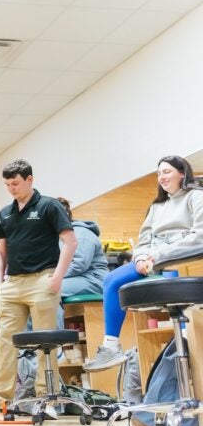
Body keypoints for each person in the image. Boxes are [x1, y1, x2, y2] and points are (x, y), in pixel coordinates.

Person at [83, 155, 203, 371]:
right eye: (159, 174)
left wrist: (156, 256)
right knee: (112, 279)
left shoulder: (195, 197)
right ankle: (110, 348)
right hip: (152, 260)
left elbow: (199, 237)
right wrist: (140, 258)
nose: (162, 177)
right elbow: (144, 240)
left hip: (181, 259)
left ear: (182, 173)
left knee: (172, 277)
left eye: (166, 172)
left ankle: (186, 340)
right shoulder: (157, 206)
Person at [0, 159, 77, 417]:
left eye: (16, 183)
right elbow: (0, 252)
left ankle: (48, 401)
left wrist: (57, 277)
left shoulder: (49, 206)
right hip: (13, 284)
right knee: (4, 343)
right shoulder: (4, 213)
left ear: (30, 179)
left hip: (42, 279)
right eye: (7, 184)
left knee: (45, 343)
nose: (11, 188)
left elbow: (70, 242)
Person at [54, 197, 109, 328]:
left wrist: (54, 276)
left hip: (94, 280)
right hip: (77, 278)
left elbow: (79, 264)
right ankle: (29, 346)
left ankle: (55, 345)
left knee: (49, 290)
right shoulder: (58, 237)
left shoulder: (81, 233)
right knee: (34, 291)